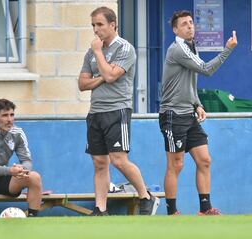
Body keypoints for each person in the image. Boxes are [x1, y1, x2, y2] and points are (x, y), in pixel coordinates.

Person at [78, 6, 160, 216]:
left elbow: (112, 76)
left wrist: (99, 54)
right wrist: (102, 76)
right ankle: (100, 208)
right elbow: (82, 84)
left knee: (118, 160)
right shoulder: (90, 52)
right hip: (95, 112)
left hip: (117, 110)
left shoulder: (125, 48)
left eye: (100, 25)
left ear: (113, 24)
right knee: (99, 162)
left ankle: (146, 196)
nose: (96, 30)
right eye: (93, 25)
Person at [159, 10, 237, 216]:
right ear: (175, 29)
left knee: (204, 160)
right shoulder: (177, 49)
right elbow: (206, 70)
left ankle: (205, 209)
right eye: (184, 24)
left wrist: (197, 104)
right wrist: (227, 50)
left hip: (188, 114)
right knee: (176, 164)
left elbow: (189, 82)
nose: (190, 26)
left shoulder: (190, 47)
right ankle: (172, 212)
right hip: (172, 114)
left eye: (191, 22)